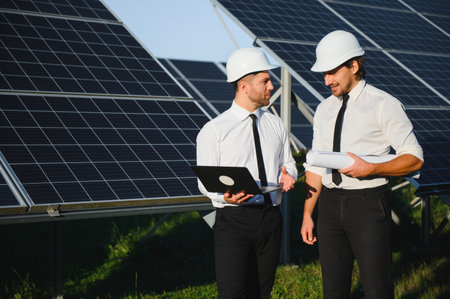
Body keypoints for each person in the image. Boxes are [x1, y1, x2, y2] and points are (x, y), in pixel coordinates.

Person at [300, 30, 423, 299]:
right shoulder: (324, 109)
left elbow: (414, 158)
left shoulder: (383, 104)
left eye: (332, 72)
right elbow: (316, 165)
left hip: (368, 204)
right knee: (333, 289)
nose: (326, 80)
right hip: (329, 206)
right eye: (323, 74)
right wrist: (308, 213)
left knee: (377, 287)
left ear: (353, 66)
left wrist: (371, 168)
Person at [196, 47, 298, 299]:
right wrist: (224, 197)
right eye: (265, 81)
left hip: (272, 219)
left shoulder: (275, 123)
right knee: (233, 294)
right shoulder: (215, 130)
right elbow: (204, 182)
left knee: (262, 292)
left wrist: (290, 175)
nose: (271, 86)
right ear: (244, 86)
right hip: (233, 221)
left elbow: (289, 162)